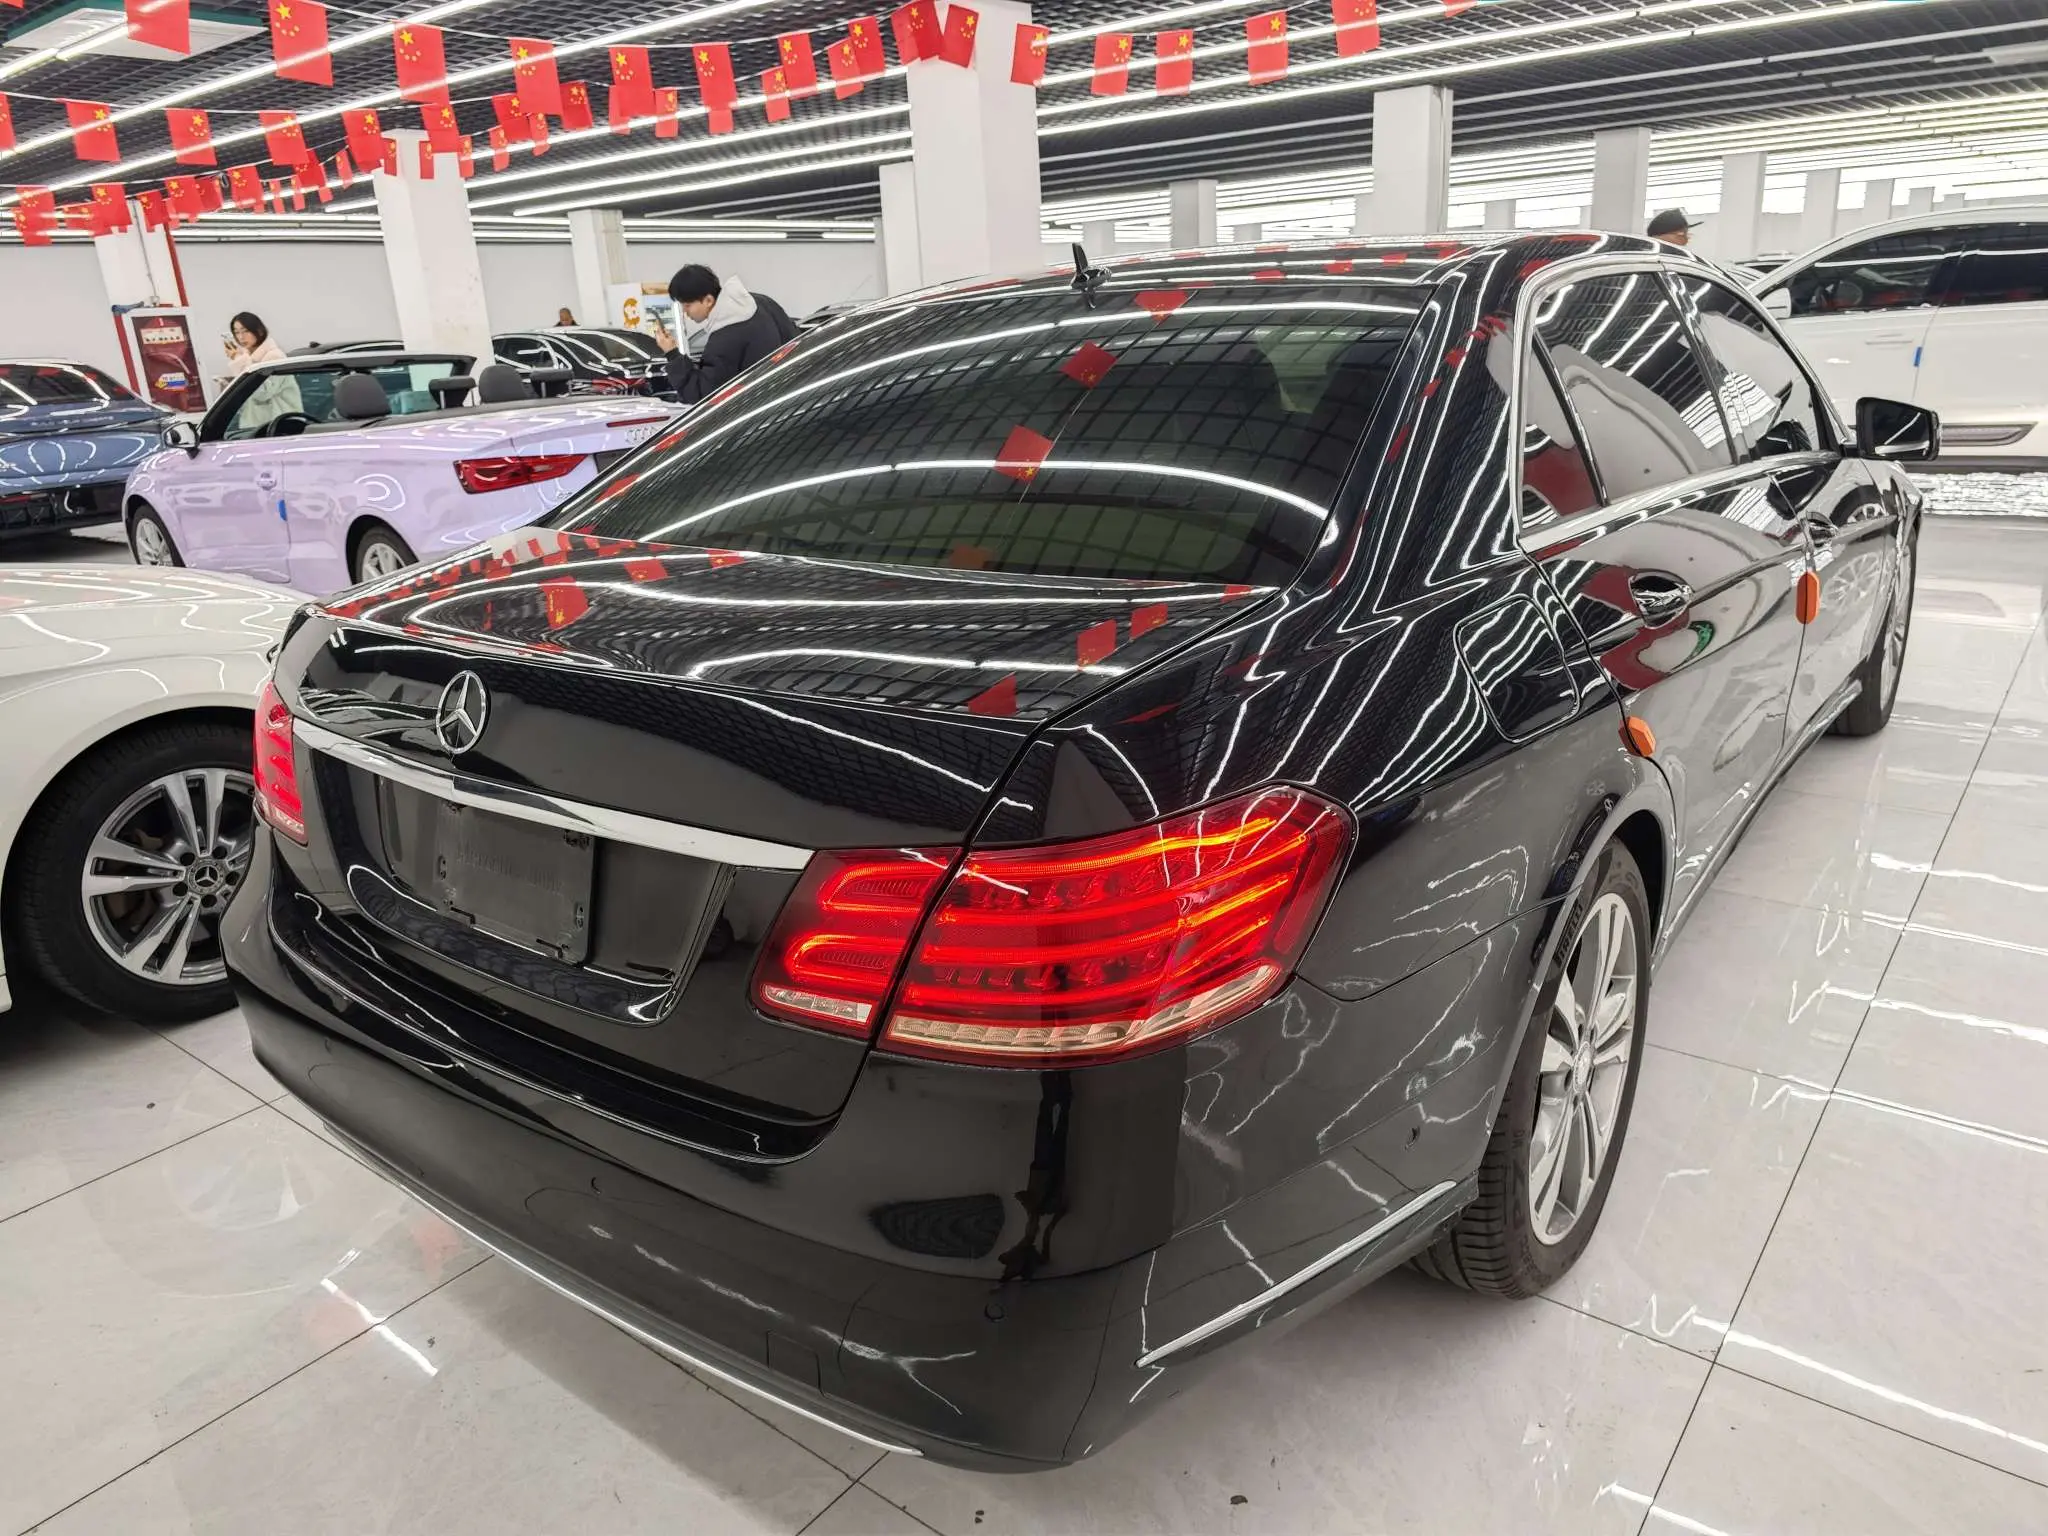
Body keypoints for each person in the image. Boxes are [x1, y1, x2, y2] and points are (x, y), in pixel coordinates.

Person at [653, 264, 798, 405]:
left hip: (759, 411)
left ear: (708, 300)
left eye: (687, 305)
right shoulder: (763, 302)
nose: (685, 312)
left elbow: (703, 394)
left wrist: (672, 354)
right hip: (795, 401)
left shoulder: (725, 338)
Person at [216, 312, 299, 432]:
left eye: (245, 331)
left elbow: (262, 393)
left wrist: (237, 360)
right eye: (236, 332)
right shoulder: (247, 358)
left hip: (279, 426)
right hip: (258, 426)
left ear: (259, 331)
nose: (241, 337)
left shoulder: (274, 356)